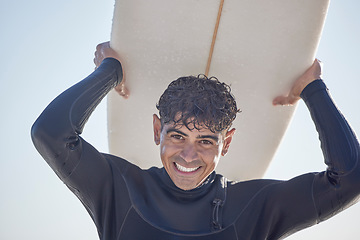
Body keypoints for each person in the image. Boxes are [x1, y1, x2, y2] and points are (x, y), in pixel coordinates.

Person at [31, 42, 360, 239]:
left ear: (226, 143)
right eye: (177, 136)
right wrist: (110, 71)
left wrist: (313, 90)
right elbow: (49, 133)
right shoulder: (119, 189)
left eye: (205, 141)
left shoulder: (256, 207)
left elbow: (349, 180)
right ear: (158, 130)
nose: (188, 155)